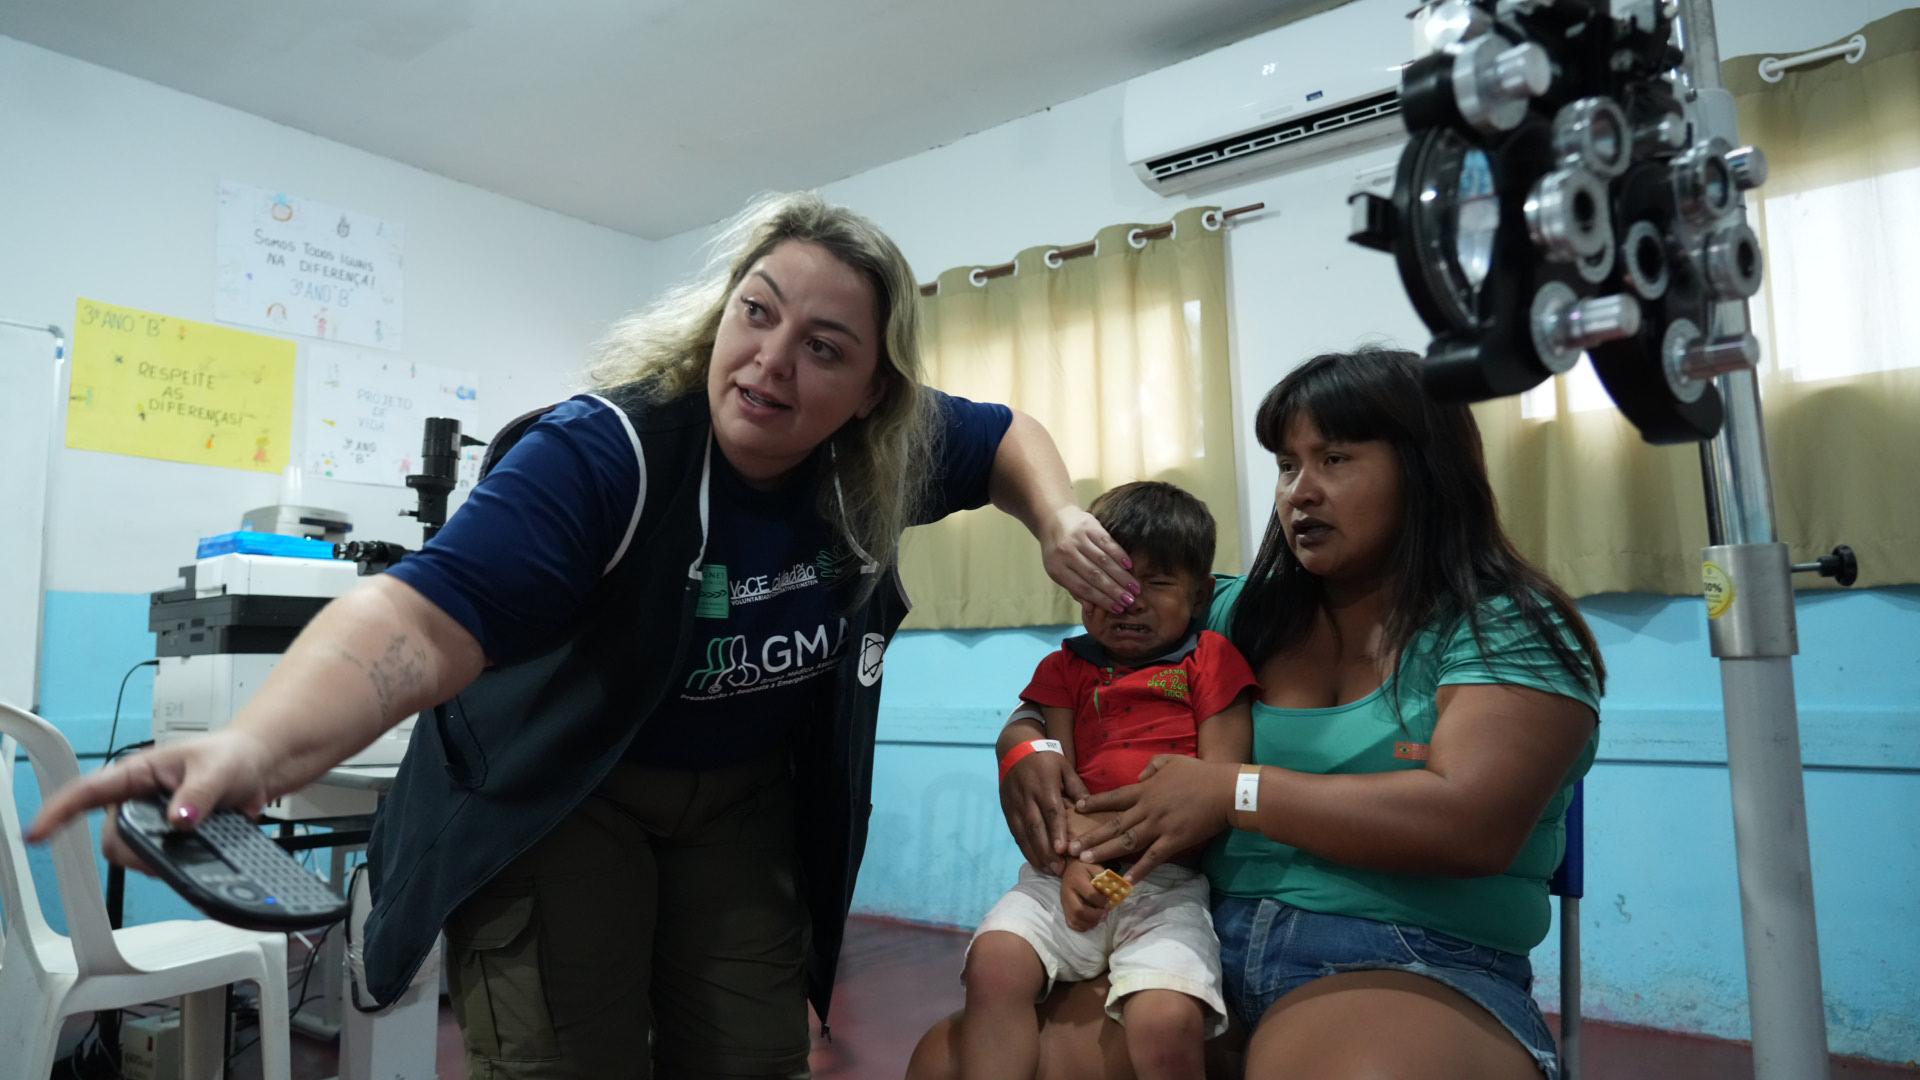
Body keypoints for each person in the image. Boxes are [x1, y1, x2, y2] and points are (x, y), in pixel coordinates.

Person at [30, 192, 1145, 1080]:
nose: (771, 360)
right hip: (565, 793)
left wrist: (1055, 514)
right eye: (756, 313)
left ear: (870, 391)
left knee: (752, 1054)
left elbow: (1005, 435)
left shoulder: (882, 452)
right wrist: (255, 748)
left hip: (741, 802)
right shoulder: (603, 454)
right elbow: (418, 618)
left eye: (822, 347)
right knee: (567, 1058)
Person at [914, 347, 1604, 1080]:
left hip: (1411, 955)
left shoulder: (1509, 628)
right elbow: (1069, 688)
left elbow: (1472, 825)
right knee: (945, 1063)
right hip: (1200, 935)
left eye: (1334, 459)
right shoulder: (1234, 612)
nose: (1300, 491)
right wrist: (1027, 748)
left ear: (1425, 469)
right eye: (1286, 465)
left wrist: (1233, 792)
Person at [959, 481, 1255, 1080]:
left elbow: (1217, 788)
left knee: (1167, 1021)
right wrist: (1073, 862)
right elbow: (1058, 785)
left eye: (1157, 582)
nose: (1127, 600)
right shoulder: (1063, 668)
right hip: (1062, 876)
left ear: (1200, 596)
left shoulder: (1210, 660)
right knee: (993, 965)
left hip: (1164, 884)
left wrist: (1104, 861)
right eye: (1109, 579)